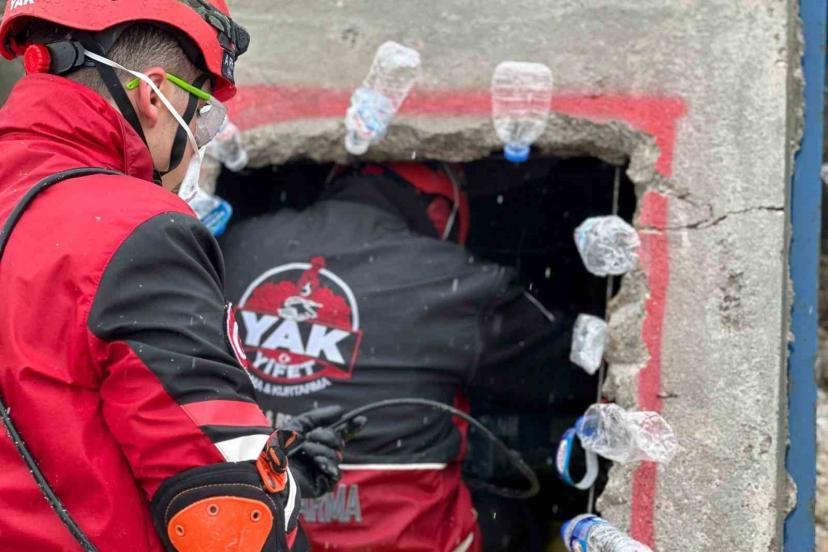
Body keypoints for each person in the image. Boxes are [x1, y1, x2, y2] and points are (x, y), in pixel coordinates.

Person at [0, 2, 344, 550]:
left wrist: (274, 468)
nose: (201, 141)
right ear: (155, 96)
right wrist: (275, 489)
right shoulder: (135, 230)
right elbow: (227, 520)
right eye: (203, 114)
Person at [220, 162, 595, 551]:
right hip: (400, 540)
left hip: (239, 528)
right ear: (442, 211)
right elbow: (573, 367)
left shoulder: (236, 243)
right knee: (520, 515)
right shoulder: (456, 281)